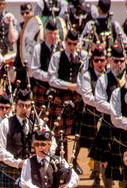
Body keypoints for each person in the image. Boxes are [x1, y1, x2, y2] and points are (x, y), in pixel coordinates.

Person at [93, 45, 126, 188]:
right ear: (110, 61)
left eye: (121, 61)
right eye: (115, 61)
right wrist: (115, 111)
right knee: (107, 161)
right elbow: (99, 102)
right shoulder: (103, 80)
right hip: (109, 126)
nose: (118, 64)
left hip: (126, 129)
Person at [48, 28, 86, 166]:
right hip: (60, 97)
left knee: (79, 133)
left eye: (74, 44)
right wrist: (68, 85)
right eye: (69, 43)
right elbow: (51, 79)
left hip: (77, 99)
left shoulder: (82, 57)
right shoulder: (57, 56)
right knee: (60, 134)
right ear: (65, 42)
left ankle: (74, 160)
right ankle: (59, 162)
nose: (72, 47)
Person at [75, 46, 107, 188]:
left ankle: (98, 174)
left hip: (105, 115)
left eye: (102, 60)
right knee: (86, 143)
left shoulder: (108, 75)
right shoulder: (87, 75)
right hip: (91, 114)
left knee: (102, 146)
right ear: (92, 61)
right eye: (96, 60)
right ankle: (74, 165)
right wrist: (102, 103)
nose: (99, 63)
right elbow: (87, 97)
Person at [28, 19, 59, 115]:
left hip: (58, 91)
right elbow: (34, 71)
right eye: (50, 33)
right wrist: (51, 77)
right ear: (45, 34)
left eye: (55, 34)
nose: (53, 37)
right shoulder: (38, 48)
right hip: (42, 88)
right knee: (40, 118)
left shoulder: (61, 48)